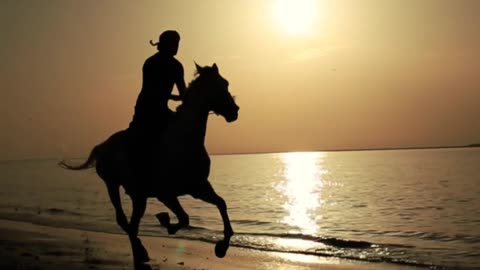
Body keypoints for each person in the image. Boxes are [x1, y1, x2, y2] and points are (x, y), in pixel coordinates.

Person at [127, 30, 186, 188]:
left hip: (163, 108)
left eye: (178, 44)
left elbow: (184, 93)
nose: (176, 47)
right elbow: (150, 90)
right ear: (165, 44)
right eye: (174, 43)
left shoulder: (177, 65)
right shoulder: (151, 63)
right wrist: (174, 97)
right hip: (147, 109)